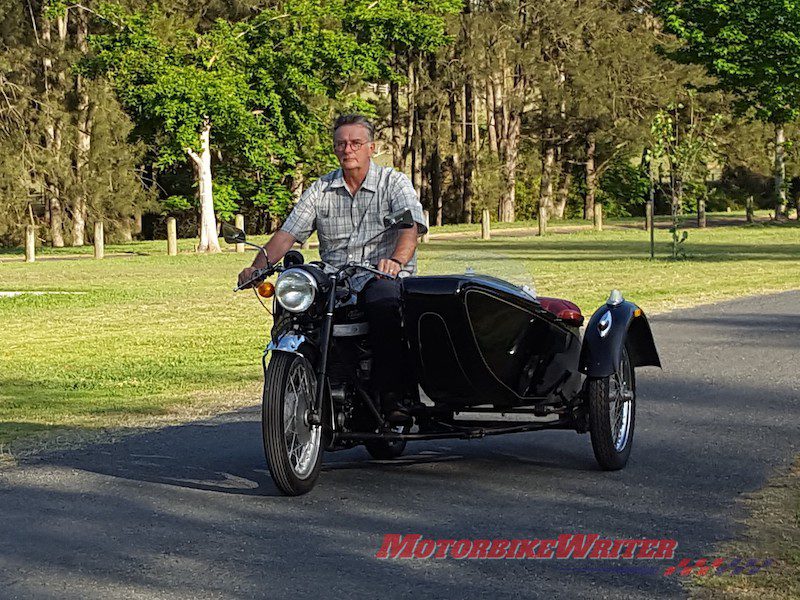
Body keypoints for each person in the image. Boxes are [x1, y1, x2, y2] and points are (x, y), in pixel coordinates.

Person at [237, 114, 428, 423]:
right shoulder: (321, 189)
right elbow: (288, 235)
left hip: (381, 275)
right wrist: (257, 268)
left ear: (371, 147)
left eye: (355, 143)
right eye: (341, 144)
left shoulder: (393, 182)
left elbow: (411, 227)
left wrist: (396, 261)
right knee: (294, 296)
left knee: (384, 303)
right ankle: (303, 374)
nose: (347, 149)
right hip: (336, 278)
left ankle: (393, 397)